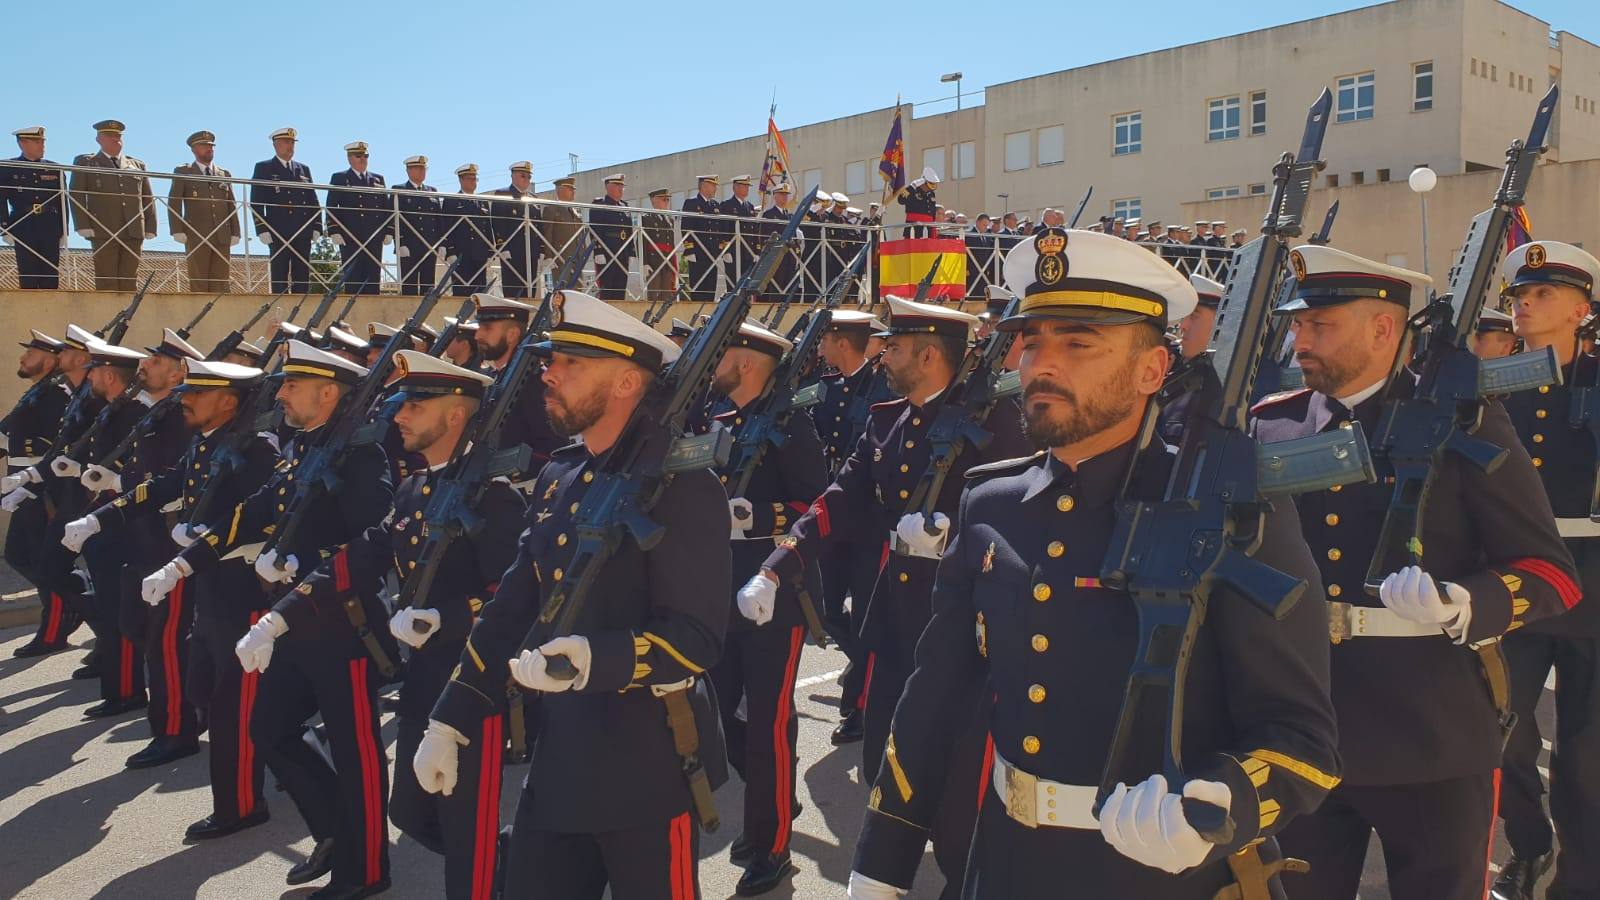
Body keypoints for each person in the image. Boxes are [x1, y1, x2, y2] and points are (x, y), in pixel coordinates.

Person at [848, 226, 1339, 900]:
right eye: (1034, 343)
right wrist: (882, 860)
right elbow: (933, 696)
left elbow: (1303, 740)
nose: (1042, 364)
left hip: (1166, 876)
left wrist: (1221, 804)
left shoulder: (1229, 508)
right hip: (1007, 863)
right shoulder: (990, 501)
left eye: (1078, 344)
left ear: (1152, 371)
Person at [1254, 244, 1579, 900]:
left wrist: (1465, 604)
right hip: (1302, 729)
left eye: (1320, 325)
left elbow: (1551, 571)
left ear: (1382, 329)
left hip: (1432, 731)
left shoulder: (1465, 423)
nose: (1300, 338)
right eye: (1297, 324)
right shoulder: (1273, 426)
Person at [416, 291, 730, 899]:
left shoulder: (683, 486)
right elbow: (513, 605)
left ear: (626, 383)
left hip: (648, 767)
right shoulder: (561, 477)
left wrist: (597, 658)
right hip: (561, 764)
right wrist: (451, 719)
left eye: (571, 365)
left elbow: (697, 640)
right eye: (550, 361)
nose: (548, 375)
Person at [743, 295, 1033, 894]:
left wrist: (955, 532)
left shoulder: (998, 418)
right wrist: (777, 564)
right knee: (886, 767)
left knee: (957, 798)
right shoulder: (886, 418)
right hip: (900, 623)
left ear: (929, 354)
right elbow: (839, 500)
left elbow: (1026, 511)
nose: (884, 355)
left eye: (895, 347)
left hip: (966, 631)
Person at [145, 339, 395, 898]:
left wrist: (301, 563)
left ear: (329, 393)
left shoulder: (362, 456)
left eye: (292, 384)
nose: (279, 392)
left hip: (341, 623)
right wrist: (184, 563)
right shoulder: (307, 448)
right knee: (269, 728)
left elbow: (372, 544)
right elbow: (253, 509)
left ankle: (367, 868)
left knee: (357, 754)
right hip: (292, 621)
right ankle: (336, 830)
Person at [290, 350, 524, 900]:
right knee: (411, 809)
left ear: (455, 416)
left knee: (465, 820)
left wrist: (446, 615)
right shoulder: (415, 489)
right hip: (424, 680)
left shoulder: (496, 496)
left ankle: (490, 873)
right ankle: (515, 858)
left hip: (475, 682)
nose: (399, 415)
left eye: (416, 405)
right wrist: (286, 611)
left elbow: (512, 595)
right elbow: (371, 550)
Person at [75, 359, 279, 840]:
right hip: (210, 586)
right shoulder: (208, 443)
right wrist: (101, 517)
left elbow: (264, 518)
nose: (185, 400)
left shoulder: (256, 451)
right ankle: (291, 743)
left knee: (234, 705)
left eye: (197, 394)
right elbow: (164, 486)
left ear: (228, 401)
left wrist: (203, 547)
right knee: (203, 689)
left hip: (243, 589)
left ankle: (242, 805)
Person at [1493, 240, 1600, 900]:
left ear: (1581, 309)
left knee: (1588, 752)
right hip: (1518, 582)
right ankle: (1530, 846)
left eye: (1542, 295)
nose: (1524, 305)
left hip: (1593, 582)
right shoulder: (1494, 385)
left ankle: (1582, 879)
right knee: (1500, 728)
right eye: (1519, 296)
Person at [708, 321, 828, 895]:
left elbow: (816, 506)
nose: (715, 362)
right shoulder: (720, 421)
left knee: (767, 726)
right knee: (712, 714)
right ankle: (774, 799)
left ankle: (771, 845)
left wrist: (755, 518)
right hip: (713, 593)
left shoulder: (790, 426)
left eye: (724, 352)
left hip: (772, 595)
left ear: (751, 361)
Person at [807, 310, 895, 744]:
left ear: (843, 341)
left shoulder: (884, 390)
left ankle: (856, 709)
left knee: (863, 614)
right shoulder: (829, 388)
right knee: (823, 611)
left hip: (870, 524)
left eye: (826, 338)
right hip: (836, 516)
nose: (821, 345)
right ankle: (872, 662)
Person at [4, 331, 75, 656]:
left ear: (49, 359)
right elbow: (7, 433)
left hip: (41, 491)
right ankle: (72, 601)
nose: (23, 357)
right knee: (20, 555)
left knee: (45, 562)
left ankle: (57, 625)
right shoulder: (35, 393)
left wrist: (36, 489)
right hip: (21, 487)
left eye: (30, 352)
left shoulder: (57, 396)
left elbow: (58, 450)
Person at [472, 294, 561, 478]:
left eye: (487, 328)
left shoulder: (535, 382)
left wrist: (506, 472)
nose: (477, 335)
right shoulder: (490, 378)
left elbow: (552, 447)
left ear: (512, 334)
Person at [69, 120, 156, 292]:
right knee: (106, 278)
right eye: (109, 136)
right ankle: (109, 317)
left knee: (130, 279)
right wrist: (83, 225)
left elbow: (148, 198)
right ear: (98, 139)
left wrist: (150, 226)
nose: (115, 139)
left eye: (118, 136)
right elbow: (76, 195)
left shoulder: (136, 165)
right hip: (103, 228)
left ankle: (129, 317)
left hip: (133, 229)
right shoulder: (87, 162)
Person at [168, 130, 240, 293]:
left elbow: (231, 205)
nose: (209, 149)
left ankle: (221, 315)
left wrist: (236, 231)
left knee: (221, 281)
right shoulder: (184, 172)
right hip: (196, 233)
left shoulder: (224, 174)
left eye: (211, 146)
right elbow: (174, 202)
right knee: (199, 279)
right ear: (194, 149)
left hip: (222, 234)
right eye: (204, 146)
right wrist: (176, 230)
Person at [251, 127, 321, 294]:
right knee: (279, 272)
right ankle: (279, 309)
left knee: (302, 273)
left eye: (292, 143)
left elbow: (313, 200)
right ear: (276, 145)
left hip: (303, 229)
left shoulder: (303, 169)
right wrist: (261, 228)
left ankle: (300, 310)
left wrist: (317, 226)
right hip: (278, 229)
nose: (290, 146)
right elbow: (256, 201)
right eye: (286, 142)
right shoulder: (264, 168)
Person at [1, 126, 67, 289]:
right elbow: (1, 199)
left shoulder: (55, 168)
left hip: (50, 224)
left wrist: (64, 230)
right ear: (22, 143)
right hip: (23, 225)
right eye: (37, 141)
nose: (42, 145)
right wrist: (5, 228)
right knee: (28, 274)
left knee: (51, 276)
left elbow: (63, 202)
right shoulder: (7, 167)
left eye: (43, 141)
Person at [327, 142, 389, 295]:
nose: (363, 159)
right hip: (350, 236)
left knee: (373, 278)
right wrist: (334, 230)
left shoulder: (378, 179)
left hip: (374, 236)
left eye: (366, 156)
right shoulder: (340, 178)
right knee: (353, 277)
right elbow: (332, 206)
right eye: (358, 156)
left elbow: (386, 208)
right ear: (349, 158)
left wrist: (389, 231)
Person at [488, 161, 543, 300]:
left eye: (529, 177)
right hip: (512, 251)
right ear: (513, 176)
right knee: (513, 290)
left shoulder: (533, 198)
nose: (527, 180)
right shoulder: (503, 194)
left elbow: (539, 226)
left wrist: (542, 249)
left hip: (531, 251)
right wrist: (502, 246)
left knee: (530, 290)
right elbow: (497, 222)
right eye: (523, 176)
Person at [396, 155, 443, 296]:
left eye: (424, 168)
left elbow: (439, 219)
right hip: (409, 245)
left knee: (428, 287)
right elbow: (396, 219)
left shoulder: (432, 191)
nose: (422, 171)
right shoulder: (399, 190)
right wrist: (400, 242)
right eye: (418, 168)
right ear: (409, 170)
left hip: (430, 245)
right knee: (409, 286)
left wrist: (441, 242)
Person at [444, 163, 493, 295]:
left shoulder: (482, 202)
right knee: (461, 291)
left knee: (480, 292)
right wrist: (450, 251)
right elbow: (446, 227)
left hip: (480, 254)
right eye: (470, 179)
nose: (473, 182)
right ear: (461, 180)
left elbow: (488, 228)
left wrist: (490, 251)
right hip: (460, 254)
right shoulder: (452, 201)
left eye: (475, 179)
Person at [590, 174, 634, 301]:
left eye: (622, 186)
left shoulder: (625, 206)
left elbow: (629, 231)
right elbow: (595, 229)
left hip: (623, 252)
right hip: (607, 252)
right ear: (608, 187)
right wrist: (598, 251)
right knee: (607, 289)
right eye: (618, 186)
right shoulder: (600, 204)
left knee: (621, 289)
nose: (621, 189)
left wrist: (631, 251)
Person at [642, 187, 678, 306]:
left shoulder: (670, 220)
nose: (666, 202)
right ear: (653, 200)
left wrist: (673, 264)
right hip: (653, 262)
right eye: (664, 199)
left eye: (668, 200)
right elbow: (642, 241)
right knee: (654, 295)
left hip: (667, 262)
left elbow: (671, 244)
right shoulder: (647, 218)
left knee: (667, 296)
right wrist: (644, 262)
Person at [543, 175, 584, 278]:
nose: (573, 192)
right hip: (561, 258)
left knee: (577, 290)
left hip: (577, 258)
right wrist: (548, 256)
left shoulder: (575, 211)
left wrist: (584, 252)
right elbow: (547, 234)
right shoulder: (552, 209)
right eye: (570, 189)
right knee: (563, 292)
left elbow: (580, 234)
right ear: (561, 190)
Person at [760, 183, 796, 301]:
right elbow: (766, 236)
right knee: (776, 286)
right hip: (776, 256)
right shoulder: (769, 214)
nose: (784, 197)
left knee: (787, 284)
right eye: (781, 194)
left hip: (789, 256)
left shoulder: (790, 216)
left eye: (786, 195)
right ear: (775, 196)